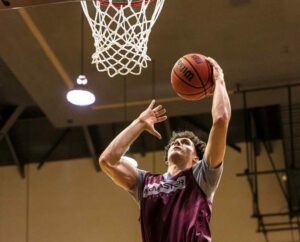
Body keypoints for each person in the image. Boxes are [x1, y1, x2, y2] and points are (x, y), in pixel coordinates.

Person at [99, 57, 231, 242]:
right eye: (174, 143)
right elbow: (107, 161)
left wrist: (219, 80)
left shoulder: (203, 176)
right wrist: (139, 123)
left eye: (185, 143)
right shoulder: (145, 183)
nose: (177, 143)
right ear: (167, 159)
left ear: (196, 159)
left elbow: (221, 120)